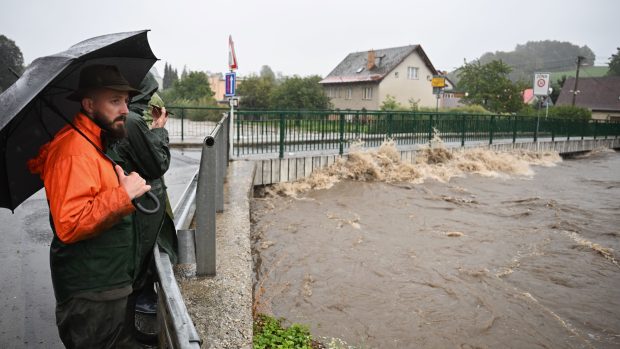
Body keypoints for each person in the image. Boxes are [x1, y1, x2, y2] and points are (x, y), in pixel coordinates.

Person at [28, 64, 150, 348]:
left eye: (126, 101)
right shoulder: (74, 152)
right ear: (89, 104)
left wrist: (122, 189)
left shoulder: (91, 144)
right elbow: (70, 224)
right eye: (114, 101)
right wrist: (123, 196)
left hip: (106, 284)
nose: (125, 110)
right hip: (92, 292)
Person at [109, 72, 177, 320]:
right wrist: (159, 130)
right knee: (143, 253)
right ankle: (139, 299)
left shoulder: (116, 119)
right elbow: (157, 164)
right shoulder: (131, 121)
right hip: (141, 204)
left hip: (126, 204)